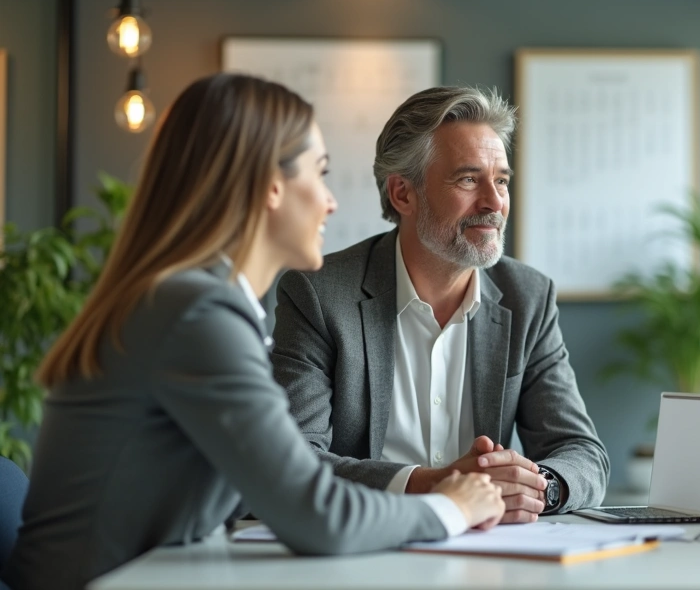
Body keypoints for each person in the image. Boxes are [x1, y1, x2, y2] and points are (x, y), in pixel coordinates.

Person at [2, 74, 504, 590]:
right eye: (320, 173)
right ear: (271, 186)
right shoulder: (196, 313)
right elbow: (317, 514)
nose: (331, 202)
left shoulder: (192, 301)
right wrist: (453, 506)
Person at [271, 86, 609, 524]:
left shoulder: (529, 296)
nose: (493, 203)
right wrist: (435, 484)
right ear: (403, 194)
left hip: (493, 555)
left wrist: (536, 485)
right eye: (468, 179)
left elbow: (584, 454)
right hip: (366, 545)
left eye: (501, 180)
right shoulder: (318, 294)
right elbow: (293, 460)